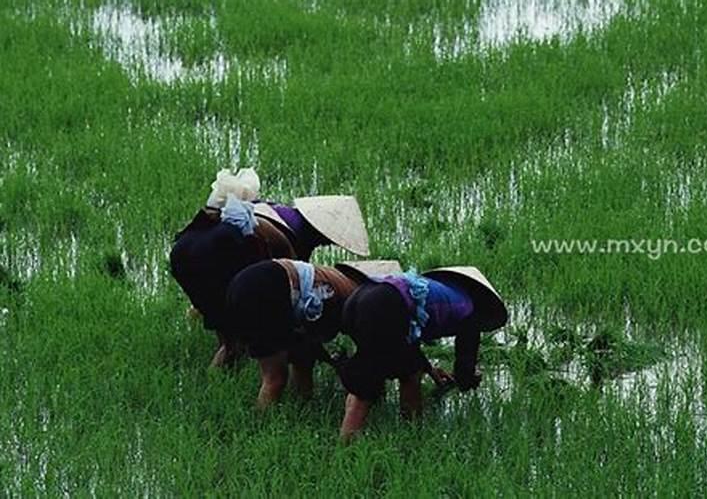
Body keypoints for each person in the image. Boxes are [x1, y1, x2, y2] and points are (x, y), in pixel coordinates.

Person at [169, 169, 371, 366]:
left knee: (226, 323)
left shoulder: (277, 211)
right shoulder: (294, 238)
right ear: (320, 232)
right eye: (328, 240)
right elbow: (284, 289)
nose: (326, 244)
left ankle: (216, 373)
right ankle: (219, 378)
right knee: (235, 342)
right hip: (216, 253)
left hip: (184, 249)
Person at [336, 266, 508, 440]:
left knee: (372, 365)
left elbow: (411, 342)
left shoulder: (441, 290)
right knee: (400, 378)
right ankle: (410, 434)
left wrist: (430, 370)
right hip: (383, 306)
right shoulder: (468, 311)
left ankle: (362, 433)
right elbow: (465, 371)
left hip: (358, 298)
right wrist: (469, 378)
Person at [223, 259, 401, 407]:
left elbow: (310, 344)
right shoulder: (351, 298)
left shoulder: (334, 279)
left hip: (243, 281)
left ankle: (299, 406)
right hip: (268, 289)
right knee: (275, 377)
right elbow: (350, 350)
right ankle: (258, 428)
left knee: (302, 356)